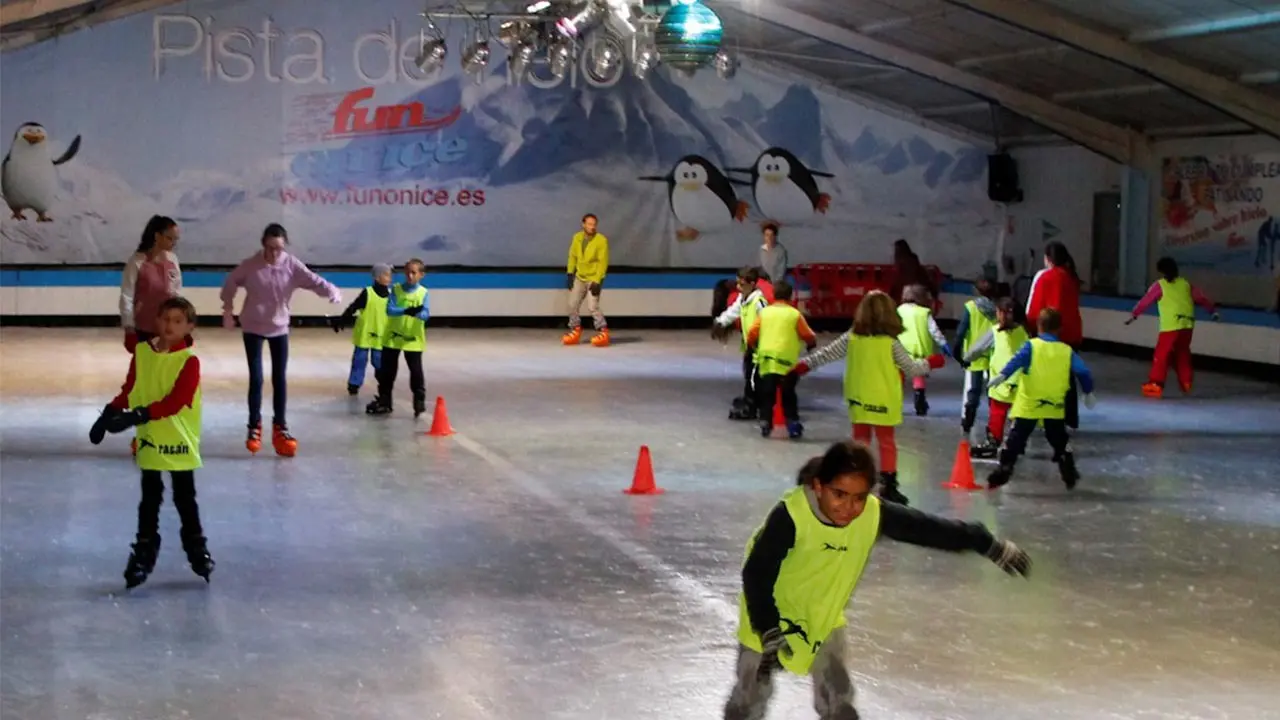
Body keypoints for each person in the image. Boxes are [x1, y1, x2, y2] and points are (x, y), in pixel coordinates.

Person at [725, 441, 1032, 720]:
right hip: (766, 614)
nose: (848, 507)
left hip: (823, 617)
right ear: (818, 486)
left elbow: (925, 528)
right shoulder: (790, 517)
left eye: (859, 498)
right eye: (839, 494)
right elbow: (757, 573)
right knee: (750, 697)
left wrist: (985, 543)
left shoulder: (871, 514)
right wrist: (768, 627)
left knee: (839, 698)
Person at [89, 296, 214, 589]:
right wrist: (109, 413)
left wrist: (136, 417)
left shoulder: (189, 361)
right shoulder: (143, 353)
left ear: (189, 327)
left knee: (185, 498)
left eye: (178, 321)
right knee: (150, 499)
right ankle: (143, 551)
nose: (170, 326)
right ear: (157, 321)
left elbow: (177, 401)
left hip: (178, 439)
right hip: (150, 438)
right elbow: (131, 388)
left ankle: (197, 548)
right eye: (166, 319)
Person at [793, 291, 943, 506]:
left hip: (858, 397)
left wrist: (803, 366)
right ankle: (889, 486)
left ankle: (856, 480)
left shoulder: (852, 337)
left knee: (860, 441)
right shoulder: (891, 343)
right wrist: (931, 362)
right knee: (886, 442)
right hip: (884, 399)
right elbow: (911, 368)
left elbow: (826, 354)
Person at [220, 223, 342, 457]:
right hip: (253, 326)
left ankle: (280, 426)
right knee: (256, 378)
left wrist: (331, 291)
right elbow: (230, 283)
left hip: (279, 327)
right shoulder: (251, 265)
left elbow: (312, 280)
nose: (275, 253)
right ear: (263, 245)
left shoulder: (291, 265)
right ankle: (254, 426)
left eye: (279, 248)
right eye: (270, 248)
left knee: (279, 378)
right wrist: (227, 310)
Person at [986, 309, 1096, 490]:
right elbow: (1083, 371)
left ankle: (1003, 470)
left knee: (1016, 438)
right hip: (1054, 405)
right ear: (1059, 328)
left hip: (1029, 403)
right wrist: (1088, 391)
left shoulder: (1031, 346)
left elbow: (1016, 361)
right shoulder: (1066, 351)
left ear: (1038, 326)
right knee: (1059, 439)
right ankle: (1068, 470)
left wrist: (1002, 376)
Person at [1125, 256, 1219, 398]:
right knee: (1183, 353)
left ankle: (1155, 384)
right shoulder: (1186, 284)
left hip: (1171, 325)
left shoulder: (1160, 285)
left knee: (1162, 355)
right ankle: (1186, 382)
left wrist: (1134, 314)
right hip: (1187, 325)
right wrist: (1213, 311)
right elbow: (1201, 298)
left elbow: (1146, 300)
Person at [745, 281, 817, 438]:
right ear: (790, 296)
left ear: (773, 295)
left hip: (767, 361)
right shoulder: (794, 314)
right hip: (787, 364)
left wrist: (752, 345)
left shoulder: (764, 313)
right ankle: (793, 423)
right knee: (788, 394)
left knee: (767, 394)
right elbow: (808, 335)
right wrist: (811, 345)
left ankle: (765, 421)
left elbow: (752, 333)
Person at [1025, 241, 1083, 428]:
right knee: (1068, 377)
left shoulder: (1046, 278)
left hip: (1049, 334)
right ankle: (1071, 418)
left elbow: (1035, 308)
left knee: (1045, 375)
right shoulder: (1072, 278)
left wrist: (1030, 328)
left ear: (1048, 259)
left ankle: (1046, 415)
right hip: (1071, 333)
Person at [962, 297, 1027, 458]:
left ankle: (993, 442)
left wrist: (967, 358)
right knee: (1017, 414)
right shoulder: (1023, 332)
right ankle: (1016, 442)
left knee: (997, 413)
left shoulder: (995, 331)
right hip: (1020, 380)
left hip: (1000, 381)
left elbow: (974, 351)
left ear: (998, 313)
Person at [367, 259, 430, 418]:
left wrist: (419, 313)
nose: (409, 275)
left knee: (416, 371)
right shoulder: (396, 289)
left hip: (412, 338)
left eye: (413, 273)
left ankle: (419, 400)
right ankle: (385, 401)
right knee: (387, 372)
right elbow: (390, 310)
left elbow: (426, 313)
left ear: (421, 275)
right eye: (407, 272)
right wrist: (407, 310)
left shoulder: (423, 292)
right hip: (393, 337)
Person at [713, 267, 772, 421]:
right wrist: (720, 322)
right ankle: (752, 402)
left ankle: (755, 406)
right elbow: (733, 311)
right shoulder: (743, 298)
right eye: (737, 283)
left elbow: (767, 320)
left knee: (755, 377)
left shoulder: (759, 301)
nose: (738, 287)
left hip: (761, 346)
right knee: (749, 373)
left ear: (752, 284)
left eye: (741, 284)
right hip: (750, 345)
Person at [120, 215, 182, 353]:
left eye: (175, 239)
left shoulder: (173, 260)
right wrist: (129, 327)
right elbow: (127, 296)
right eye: (169, 238)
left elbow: (177, 293)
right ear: (157, 236)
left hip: (167, 329)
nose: (173, 243)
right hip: (144, 329)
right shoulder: (137, 262)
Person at [332, 263, 393, 396]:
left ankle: (383, 382)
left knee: (379, 361)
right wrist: (342, 320)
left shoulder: (390, 295)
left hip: (381, 334)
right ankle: (354, 384)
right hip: (365, 333)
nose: (390, 277)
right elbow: (353, 307)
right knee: (359, 360)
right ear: (377, 277)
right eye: (386, 275)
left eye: (390, 275)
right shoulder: (368, 293)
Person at [953, 279, 999, 439]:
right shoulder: (998, 310)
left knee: (973, 392)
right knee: (993, 393)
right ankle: (994, 424)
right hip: (993, 357)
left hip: (974, 356)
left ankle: (968, 423)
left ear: (975, 291)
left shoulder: (971, 308)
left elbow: (960, 333)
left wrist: (958, 354)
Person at [897, 284, 950, 416]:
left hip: (900, 351)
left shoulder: (898, 311)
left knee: (899, 378)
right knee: (918, 377)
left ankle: (895, 404)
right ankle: (920, 403)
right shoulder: (924, 313)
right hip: (919, 352)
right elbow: (934, 331)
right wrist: (943, 343)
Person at [562, 213, 610, 347]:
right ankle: (575, 330)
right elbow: (572, 256)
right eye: (589, 224)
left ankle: (603, 331)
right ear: (583, 224)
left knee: (592, 306)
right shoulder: (577, 238)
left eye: (594, 224)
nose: (592, 227)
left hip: (593, 278)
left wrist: (597, 280)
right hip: (580, 277)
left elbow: (603, 262)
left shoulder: (601, 240)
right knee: (572, 304)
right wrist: (570, 273)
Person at [888, 239, 937, 304]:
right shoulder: (912, 260)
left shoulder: (901, 263)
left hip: (908, 291)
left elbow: (899, 280)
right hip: (915, 290)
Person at [759, 222, 788, 286]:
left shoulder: (781, 251)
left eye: (771, 235)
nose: (769, 238)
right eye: (767, 235)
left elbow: (781, 272)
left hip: (776, 285)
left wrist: (774, 285)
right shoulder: (761, 249)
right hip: (763, 284)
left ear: (775, 236)